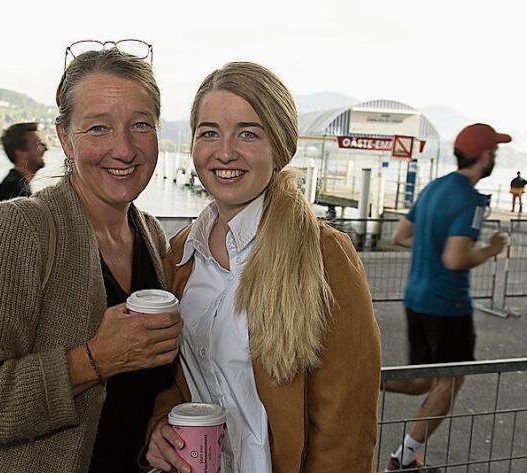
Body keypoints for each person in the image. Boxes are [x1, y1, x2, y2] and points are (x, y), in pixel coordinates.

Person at [0, 46, 182, 472]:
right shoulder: (20, 229)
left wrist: (156, 426)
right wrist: (93, 360)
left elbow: (134, 392)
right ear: (65, 139)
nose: (124, 148)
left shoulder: (150, 234)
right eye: (98, 128)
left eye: (140, 125)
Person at [146, 62, 381, 473]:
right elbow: (174, 379)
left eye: (248, 133)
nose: (225, 152)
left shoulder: (325, 258)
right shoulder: (182, 253)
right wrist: (159, 426)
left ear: (280, 145)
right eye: (209, 132)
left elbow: (345, 433)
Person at [386, 123, 510, 471]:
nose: (495, 157)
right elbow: (456, 258)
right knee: (449, 381)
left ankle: (365, 381)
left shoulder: (433, 188)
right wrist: (492, 249)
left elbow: (399, 235)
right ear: (485, 156)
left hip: (416, 298)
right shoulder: (470, 200)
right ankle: (403, 458)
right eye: (495, 152)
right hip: (447, 305)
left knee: (423, 380)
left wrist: (431, 247)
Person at [0, 122, 46, 204]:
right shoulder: (15, 190)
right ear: (20, 152)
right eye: (38, 144)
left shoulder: (15, 185)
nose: (45, 148)